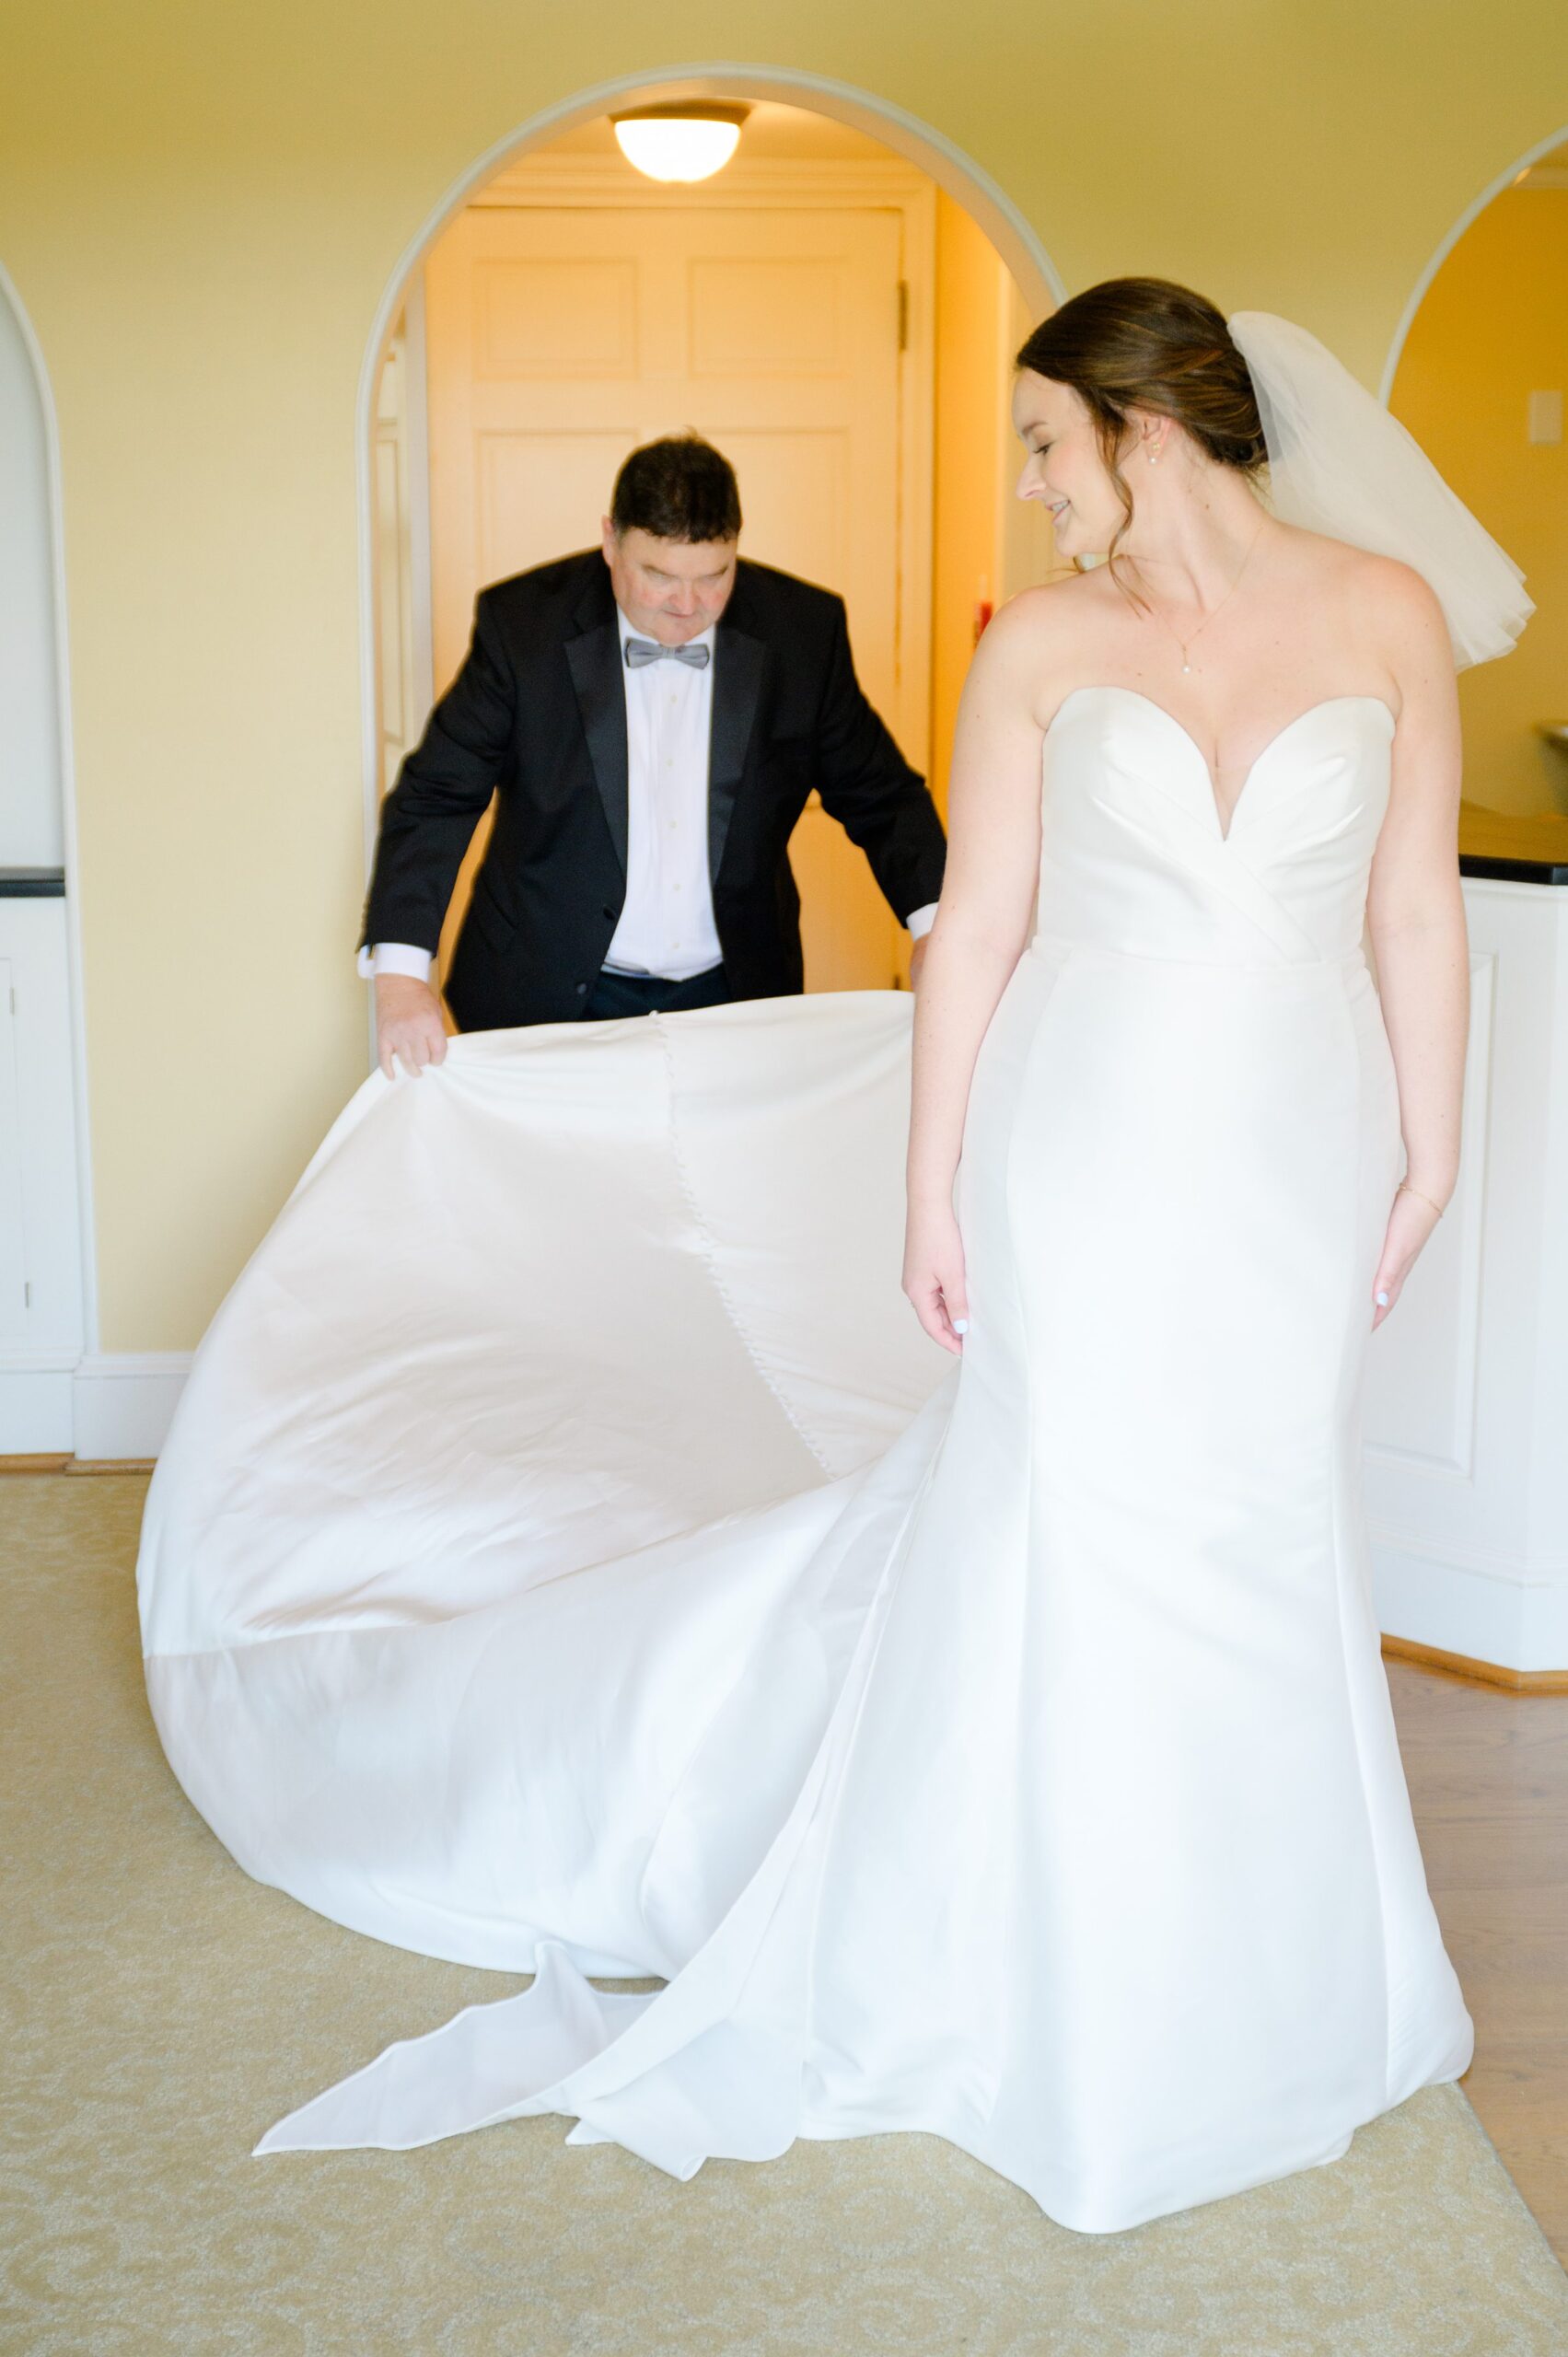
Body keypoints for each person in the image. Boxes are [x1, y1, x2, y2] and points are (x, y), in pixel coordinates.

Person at [137, 281, 1530, 2233]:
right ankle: (1047, 1944)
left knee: (1261, 1511)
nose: (1033, 489)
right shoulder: (1044, 642)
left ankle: (1269, 1945)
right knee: (1072, 1498)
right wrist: (930, 1178)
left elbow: (1404, 912)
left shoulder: (1380, 615)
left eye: (1045, 442)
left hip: (1298, 1144)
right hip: (1086, 1137)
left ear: (1137, 429)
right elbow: (966, 928)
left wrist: (1431, 1141)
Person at [362, 432, 947, 1074]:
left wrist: (937, 932)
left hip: (732, 993)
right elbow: (439, 795)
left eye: (714, 576)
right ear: (610, 541)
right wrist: (400, 975)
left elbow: (881, 796)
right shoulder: (522, 626)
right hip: (544, 987)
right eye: (658, 576)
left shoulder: (802, 632)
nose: (687, 606)